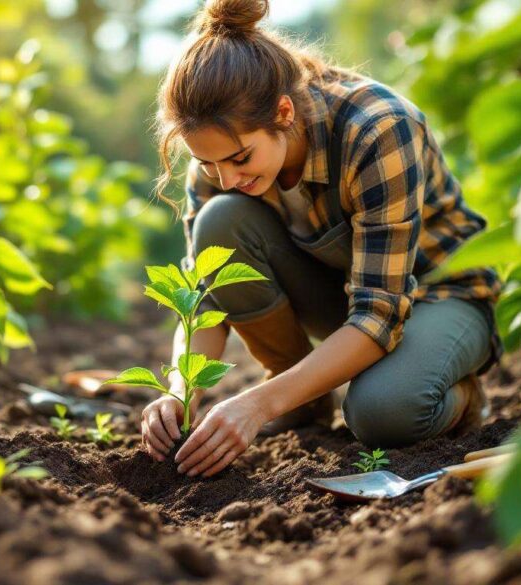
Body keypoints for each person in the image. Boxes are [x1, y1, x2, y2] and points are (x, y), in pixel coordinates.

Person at [140, 0, 502, 478]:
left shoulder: (377, 129)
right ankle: (302, 401)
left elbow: (378, 313)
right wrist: (179, 391)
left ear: (284, 113)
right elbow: (203, 302)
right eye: (208, 164)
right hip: (343, 291)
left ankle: (457, 393)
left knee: (383, 413)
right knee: (218, 222)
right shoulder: (220, 160)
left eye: (241, 159)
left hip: (439, 292)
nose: (225, 178)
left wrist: (256, 405)